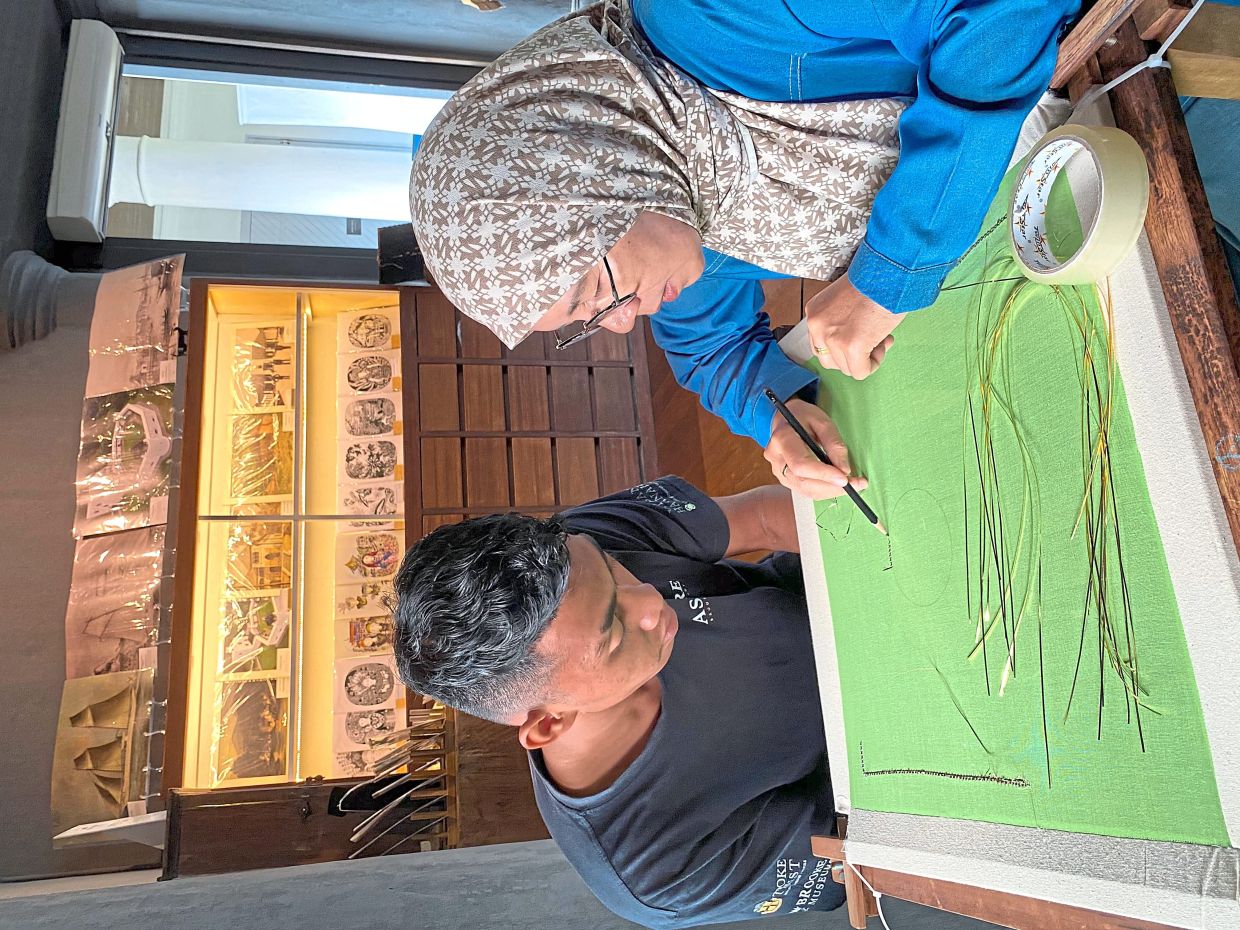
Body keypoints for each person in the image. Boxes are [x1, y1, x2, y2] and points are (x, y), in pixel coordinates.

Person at [409, 0, 1080, 499]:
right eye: (587, 325)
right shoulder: (674, 208)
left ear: (594, 174)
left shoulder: (709, 16)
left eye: (592, 294)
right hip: (1054, 183)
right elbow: (708, 350)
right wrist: (778, 421)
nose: (621, 322)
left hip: (1099, 69)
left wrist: (890, 272)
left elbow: (1000, 10)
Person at [393, 476, 856, 926]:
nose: (651, 603)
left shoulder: (575, 545)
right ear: (548, 723)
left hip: (845, 589)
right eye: (612, 632)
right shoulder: (655, 873)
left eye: (614, 570)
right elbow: (862, 844)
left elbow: (763, 517)